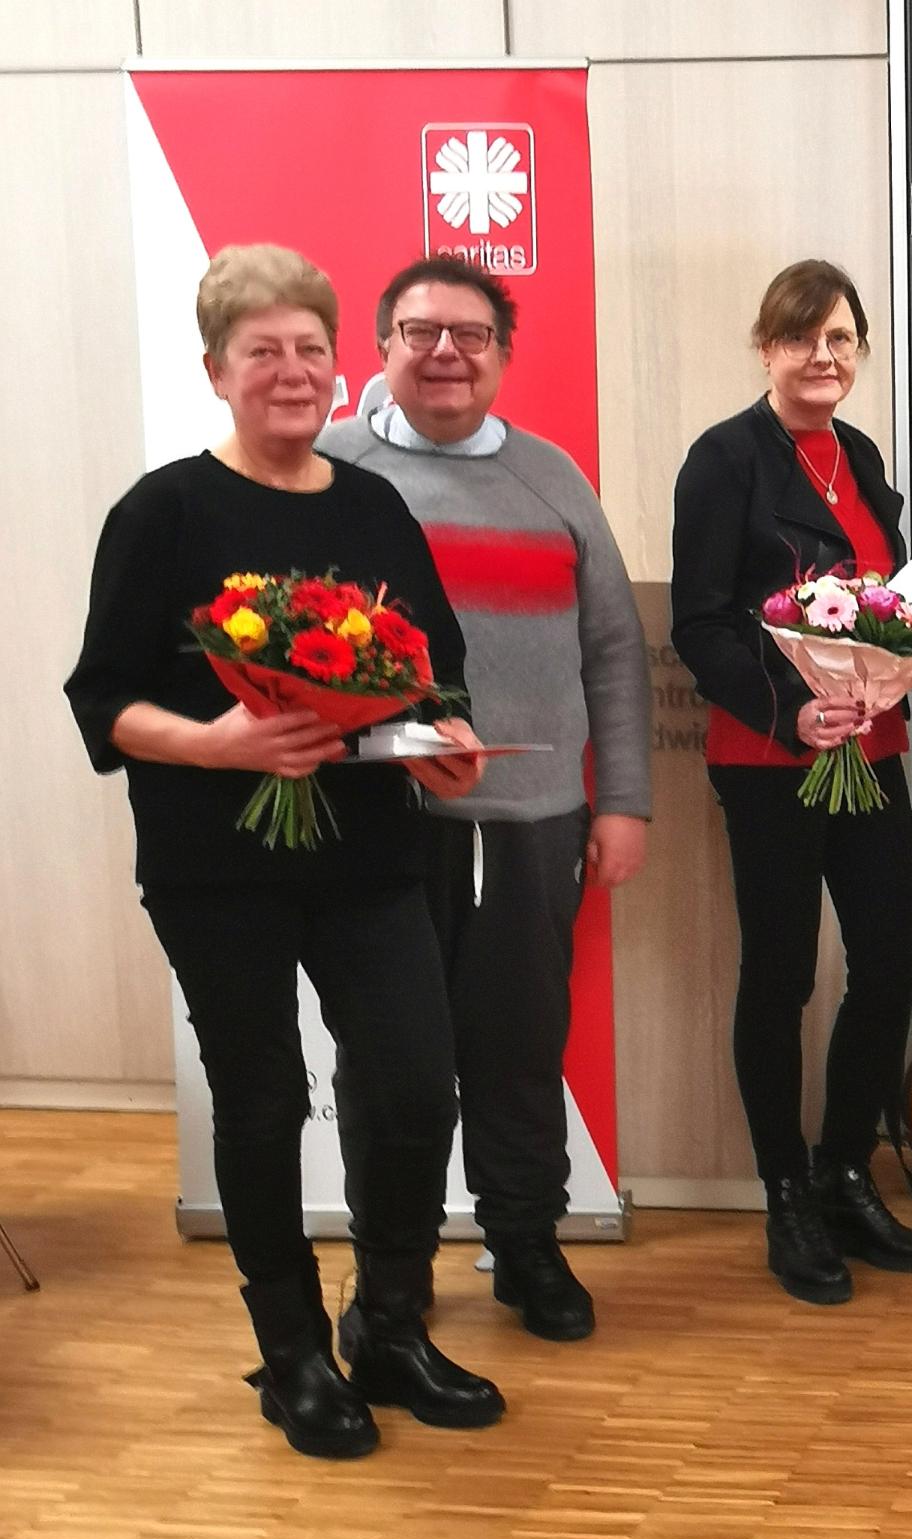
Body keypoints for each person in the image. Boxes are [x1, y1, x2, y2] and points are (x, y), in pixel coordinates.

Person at [63, 244, 502, 1457]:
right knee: (261, 1105)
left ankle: (392, 1325)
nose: (294, 372)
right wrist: (224, 744)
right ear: (217, 371)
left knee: (416, 1084)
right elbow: (103, 701)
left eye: (312, 348)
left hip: (369, 854)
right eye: (264, 351)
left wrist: (443, 741)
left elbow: (435, 671)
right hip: (219, 868)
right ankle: (294, 1352)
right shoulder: (164, 511)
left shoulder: (372, 507)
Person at [318, 255, 653, 1343]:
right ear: (384, 348)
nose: (446, 352)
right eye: (420, 332)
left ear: (504, 355)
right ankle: (394, 1277)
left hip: (535, 820)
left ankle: (525, 1246)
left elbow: (612, 649)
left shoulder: (553, 477)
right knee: (388, 1064)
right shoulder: (334, 473)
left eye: (470, 334)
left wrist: (623, 803)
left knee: (518, 1047)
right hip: (379, 827)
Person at [671, 259, 912, 1305]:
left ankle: (847, 1171)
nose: (825, 357)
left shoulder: (858, 456)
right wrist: (790, 709)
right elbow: (703, 624)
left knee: (888, 962)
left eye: (843, 341)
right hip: (774, 757)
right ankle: (784, 1194)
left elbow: (889, 607)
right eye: (804, 337)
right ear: (768, 345)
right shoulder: (722, 461)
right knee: (781, 976)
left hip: (877, 748)